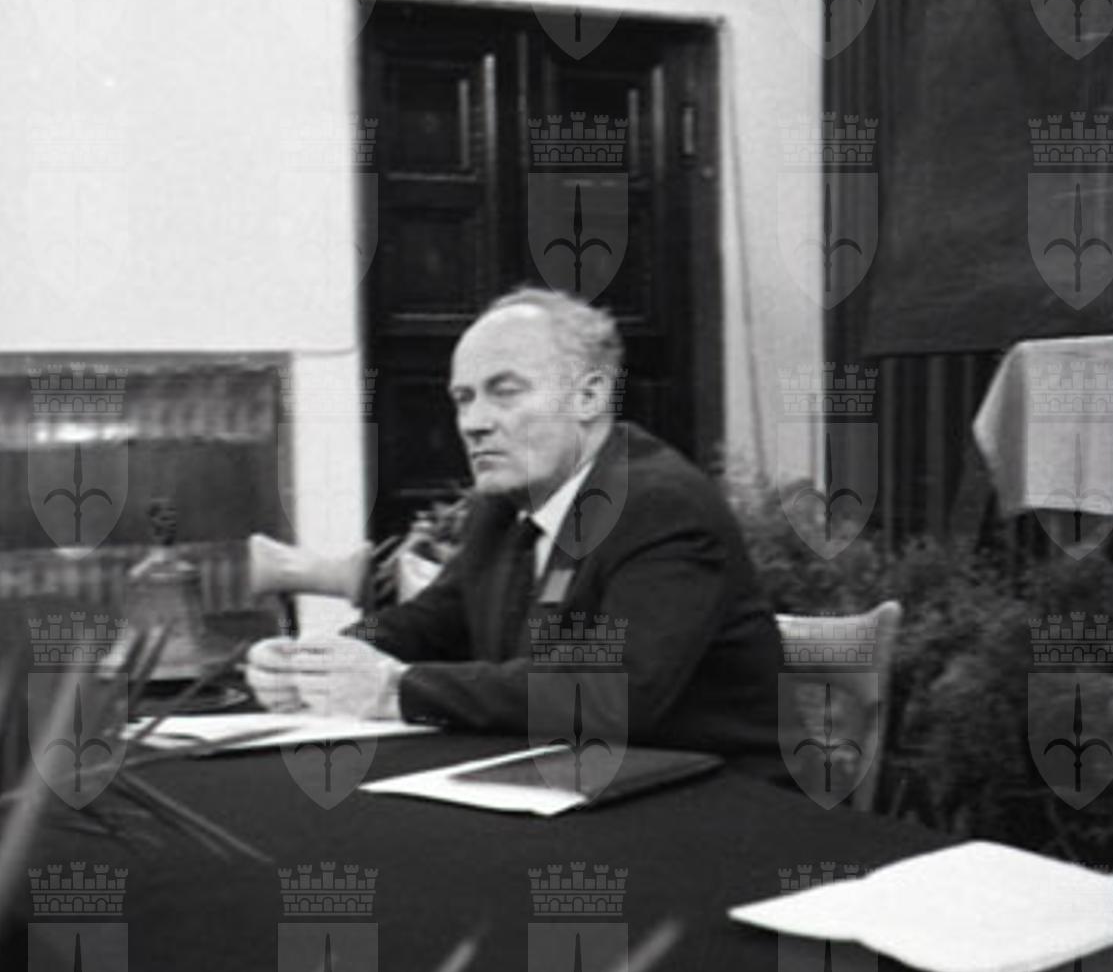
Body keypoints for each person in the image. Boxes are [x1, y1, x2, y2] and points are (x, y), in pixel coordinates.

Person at [245, 287, 784, 775]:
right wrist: (319, 663)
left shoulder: (660, 505)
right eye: (463, 398)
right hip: (567, 775)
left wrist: (394, 690)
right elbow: (429, 624)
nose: (473, 423)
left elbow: (616, 693)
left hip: (719, 793)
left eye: (504, 392)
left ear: (590, 397)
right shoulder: (502, 509)